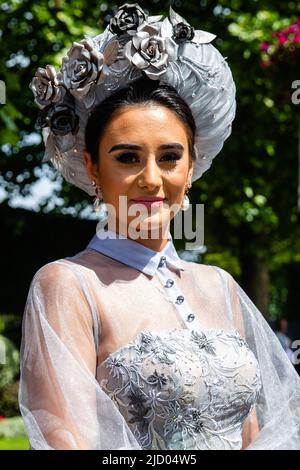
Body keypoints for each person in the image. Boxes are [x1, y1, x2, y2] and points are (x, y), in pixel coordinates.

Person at [19, 4, 300, 450]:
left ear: (191, 166)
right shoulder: (67, 285)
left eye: (169, 157)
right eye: (127, 157)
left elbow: (254, 434)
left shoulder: (221, 285)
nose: (152, 178)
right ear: (92, 166)